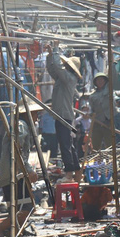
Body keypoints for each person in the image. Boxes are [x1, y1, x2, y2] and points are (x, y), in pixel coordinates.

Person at [0, 100, 41, 237]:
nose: (37, 117)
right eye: (35, 114)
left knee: (17, 210)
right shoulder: (21, 126)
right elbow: (18, 151)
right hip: (15, 174)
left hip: (12, 173)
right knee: (26, 209)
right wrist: (29, 171)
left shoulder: (22, 126)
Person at [46, 43, 81, 182]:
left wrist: (55, 51)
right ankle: (76, 171)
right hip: (62, 115)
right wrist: (50, 56)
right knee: (68, 145)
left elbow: (58, 70)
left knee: (65, 145)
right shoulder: (63, 78)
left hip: (64, 116)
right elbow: (52, 70)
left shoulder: (70, 78)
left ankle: (69, 174)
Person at [88, 72, 114, 151]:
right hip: (98, 123)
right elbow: (91, 109)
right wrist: (90, 114)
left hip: (109, 122)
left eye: (102, 80)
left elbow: (112, 77)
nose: (100, 81)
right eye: (98, 80)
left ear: (105, 81)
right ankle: (95, 162)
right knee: (95, 145)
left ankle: (111, 161)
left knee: (110, 145)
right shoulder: (92, 96)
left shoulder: (109, 90)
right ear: (95, 82)